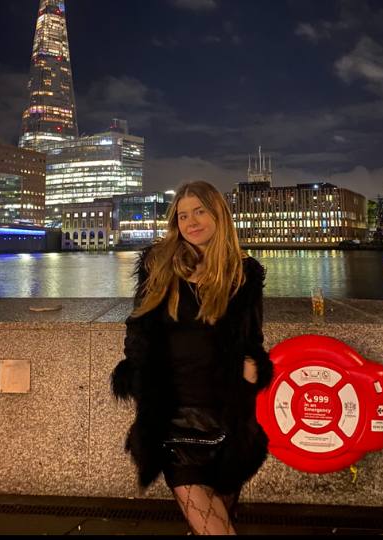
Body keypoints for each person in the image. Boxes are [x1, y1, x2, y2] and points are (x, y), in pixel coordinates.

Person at [111, 180, 273, 535]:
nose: (191, 221)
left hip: (226, 417)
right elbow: (137, 329)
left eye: (200, 211)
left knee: (221, 516)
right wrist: (141, 378)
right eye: (183, 215)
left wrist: (253, 367)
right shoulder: (159, 264)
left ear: (218, 214)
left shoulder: (243, 273)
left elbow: (252, 339)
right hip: (174, 419)